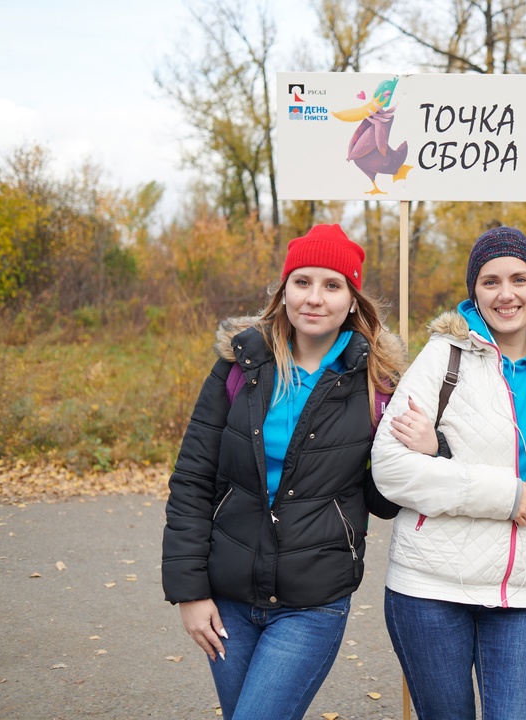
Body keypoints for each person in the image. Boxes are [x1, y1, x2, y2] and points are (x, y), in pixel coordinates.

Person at [161, 224, 404, 720]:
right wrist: (190, 591)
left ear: (353, 300)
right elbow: (192, 481)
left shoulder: (376, 383)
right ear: (283, 290)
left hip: (312, 603)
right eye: (302, 282)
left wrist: (426, 448)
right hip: (227, 597)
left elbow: (385, 501)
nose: (315, 298)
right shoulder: (239, 366)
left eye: (332, 285)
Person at [370, 227, 526, 720]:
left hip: (524, 591)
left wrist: (440, 449)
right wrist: (501, 494)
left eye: (519, 279)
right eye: (490, 282)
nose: (506, 294)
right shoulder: (443, 357)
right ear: (474, 291)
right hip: (431, 586)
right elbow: (390, 467)